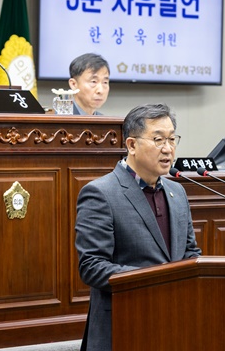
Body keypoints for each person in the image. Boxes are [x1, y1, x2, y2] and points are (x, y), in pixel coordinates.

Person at [74, 103, 201, 351]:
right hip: (124, 326)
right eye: (158, 140)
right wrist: (156, 281)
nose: (168, 149)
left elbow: (190, 253)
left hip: (174, 324)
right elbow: (92, 267)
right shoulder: (100, 193)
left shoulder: (177, 192)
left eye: (172, 139)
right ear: (131, 145)